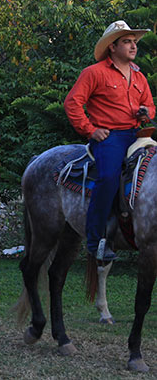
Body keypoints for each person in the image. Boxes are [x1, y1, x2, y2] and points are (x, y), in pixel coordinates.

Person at [64, 20, 153, 262]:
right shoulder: (93, 73)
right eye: (126, 42)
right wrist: (90, 130)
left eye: (134, 42)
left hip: (137, 135)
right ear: (112, 47)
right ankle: (94, 241)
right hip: (109, 137)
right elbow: (72, 103)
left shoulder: (139, 76)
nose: (133, 46)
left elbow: (151, 106)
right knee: (108, 177)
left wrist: (146, 112)